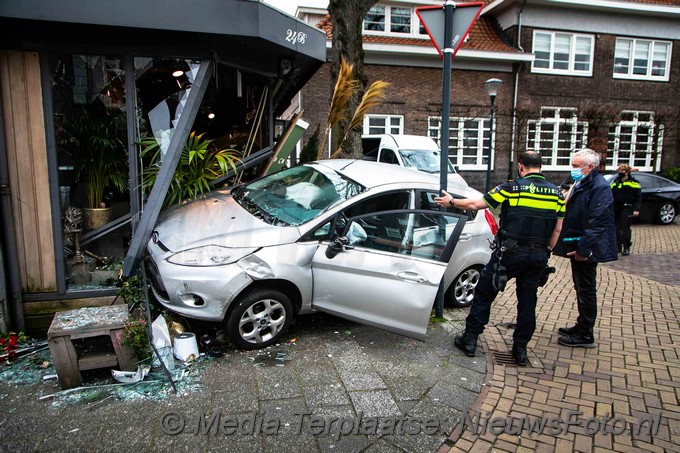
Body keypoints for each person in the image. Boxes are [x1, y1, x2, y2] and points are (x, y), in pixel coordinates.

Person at [434, 151, 564, 366]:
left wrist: (451, 201)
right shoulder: (557, 194)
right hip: (537, 256)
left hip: (509, 253)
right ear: (541, 167)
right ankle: (520, 350)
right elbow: (557, 230)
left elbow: (477, 204)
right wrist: (545, 251)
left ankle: (469, 340)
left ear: (521, 166)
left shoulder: (511, 187)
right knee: (528, 302)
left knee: (484, 294)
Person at [553, 148, 617, 348]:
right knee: (581, 287)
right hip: (579, 243)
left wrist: (583, 250)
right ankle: (581, 325)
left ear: (589, 167)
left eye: (575, 166)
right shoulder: (581, 182)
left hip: (587, 248)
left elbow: (597, 222)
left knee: (586, 289)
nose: (571, 169)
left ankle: (585, 333)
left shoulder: (599, 187)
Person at [610, 164, 641, 255]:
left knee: (625, 228)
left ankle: (626, 247)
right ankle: (617, 246)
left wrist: (636, 209)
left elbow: (638, 197)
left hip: (628, 206)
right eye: (619, 171)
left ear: (626, 172)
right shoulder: (616, 182)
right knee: (616, 228)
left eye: (621, 171)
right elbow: (611, 194)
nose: (619, 173)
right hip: (616, 207)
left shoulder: (634, 182)